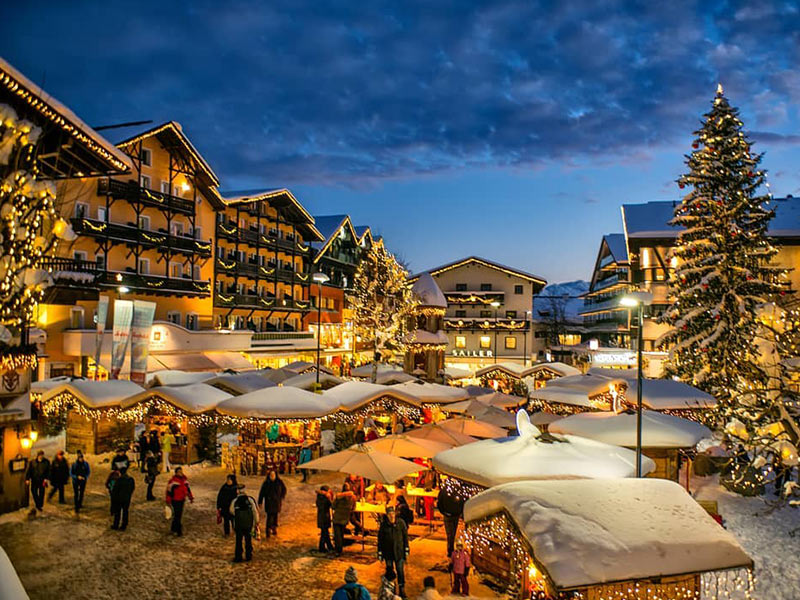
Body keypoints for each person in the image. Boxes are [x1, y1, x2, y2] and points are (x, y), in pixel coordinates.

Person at [377, 506, 409, 598]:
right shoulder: (384, 525)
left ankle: (401, 588)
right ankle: (391, 587)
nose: (391, 516)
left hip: (399, 552)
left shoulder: (401, 523)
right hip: (388, 553)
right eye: (389, 514)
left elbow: (405, 536)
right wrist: (379, 552)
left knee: (400, 570)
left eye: (393, 513)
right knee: (390, 571)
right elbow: (380, 539)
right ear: (387, 515)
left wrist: (406, 548)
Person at [230, 483, 259, 562]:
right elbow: (255, 511)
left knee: (238, 541)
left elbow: (231, 511)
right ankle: (248, 555)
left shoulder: (235, 501)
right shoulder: (250, 500)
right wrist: (256, 521)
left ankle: (238, 557)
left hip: (239, 524)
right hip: (248, 524)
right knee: (248, 540)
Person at [258, 469, 286, 538]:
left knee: (275, 516)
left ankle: (274, 528)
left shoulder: (279, 482)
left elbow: (284, 490)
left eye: (273, 475)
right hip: (269, 503)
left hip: (276, 503)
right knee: (269, 517)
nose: (272, 476)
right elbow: (262, 493)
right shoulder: (266, 483)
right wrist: (260, 501)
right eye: (271, 475)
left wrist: (281, 496)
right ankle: (268, 530)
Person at [166, 466, 194, 536]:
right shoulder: (173, 482)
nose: (181, 473)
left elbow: (188, 489)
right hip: (175, 500)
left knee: (178, 515)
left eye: (181, 472)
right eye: (179, 472)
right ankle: (179, 530)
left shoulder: (184, 480)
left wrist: (190, 497)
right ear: (176, 473)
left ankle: (173, 528)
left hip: (182, 499)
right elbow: (169, 491)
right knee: (177, 515)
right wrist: (168, 500)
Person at [437, 488, 463, 558]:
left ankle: (450, 550)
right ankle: (450, 550)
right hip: (453, 515)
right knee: (452, 534)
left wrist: (444, 512)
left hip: (449, 514)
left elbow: (439, 503)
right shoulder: (458, 490)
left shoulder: (444, 490)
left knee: (450, 534)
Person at [332, 483, 356, 556]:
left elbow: (333, 506)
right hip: (345, 518)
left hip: (337, 518)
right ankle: (340, 548)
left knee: (337, 535)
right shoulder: (353, 498)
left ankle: (338, 550)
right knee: (341, 534)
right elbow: (353, 508)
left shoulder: (339, 497)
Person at [316, 485, 334, 553]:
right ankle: (322, 548)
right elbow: (331, 505)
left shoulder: (319, 497)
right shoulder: (325, 498)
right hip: (325, 517)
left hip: (321, 517)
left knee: (325, 532)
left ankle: (329, 546)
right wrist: (329, 498)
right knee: (324, 533)